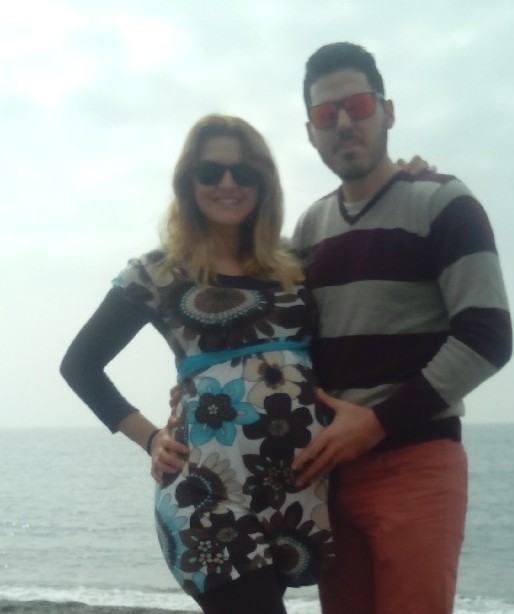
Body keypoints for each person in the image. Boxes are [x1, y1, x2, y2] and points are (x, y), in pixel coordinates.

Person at [60, 114, 335, 614]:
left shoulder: (297, 264)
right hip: (205, 494)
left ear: (264, 183)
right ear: (188, 182)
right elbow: (80, 364)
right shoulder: (157, 273)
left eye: (243, 172)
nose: (228, 183)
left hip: (293, 494)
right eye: (211, 172)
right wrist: (150, 437)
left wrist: (402, 175)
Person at [287, 42, 512, 614]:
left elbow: (487, 336)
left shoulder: (444, 202)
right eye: (326, 114)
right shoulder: (309, 229)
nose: (343, 123)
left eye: (358, 106)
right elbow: (281, 340)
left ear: (387, 112)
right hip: (332, 471)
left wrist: (377, 422)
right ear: (311, 133)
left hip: (417, 461)